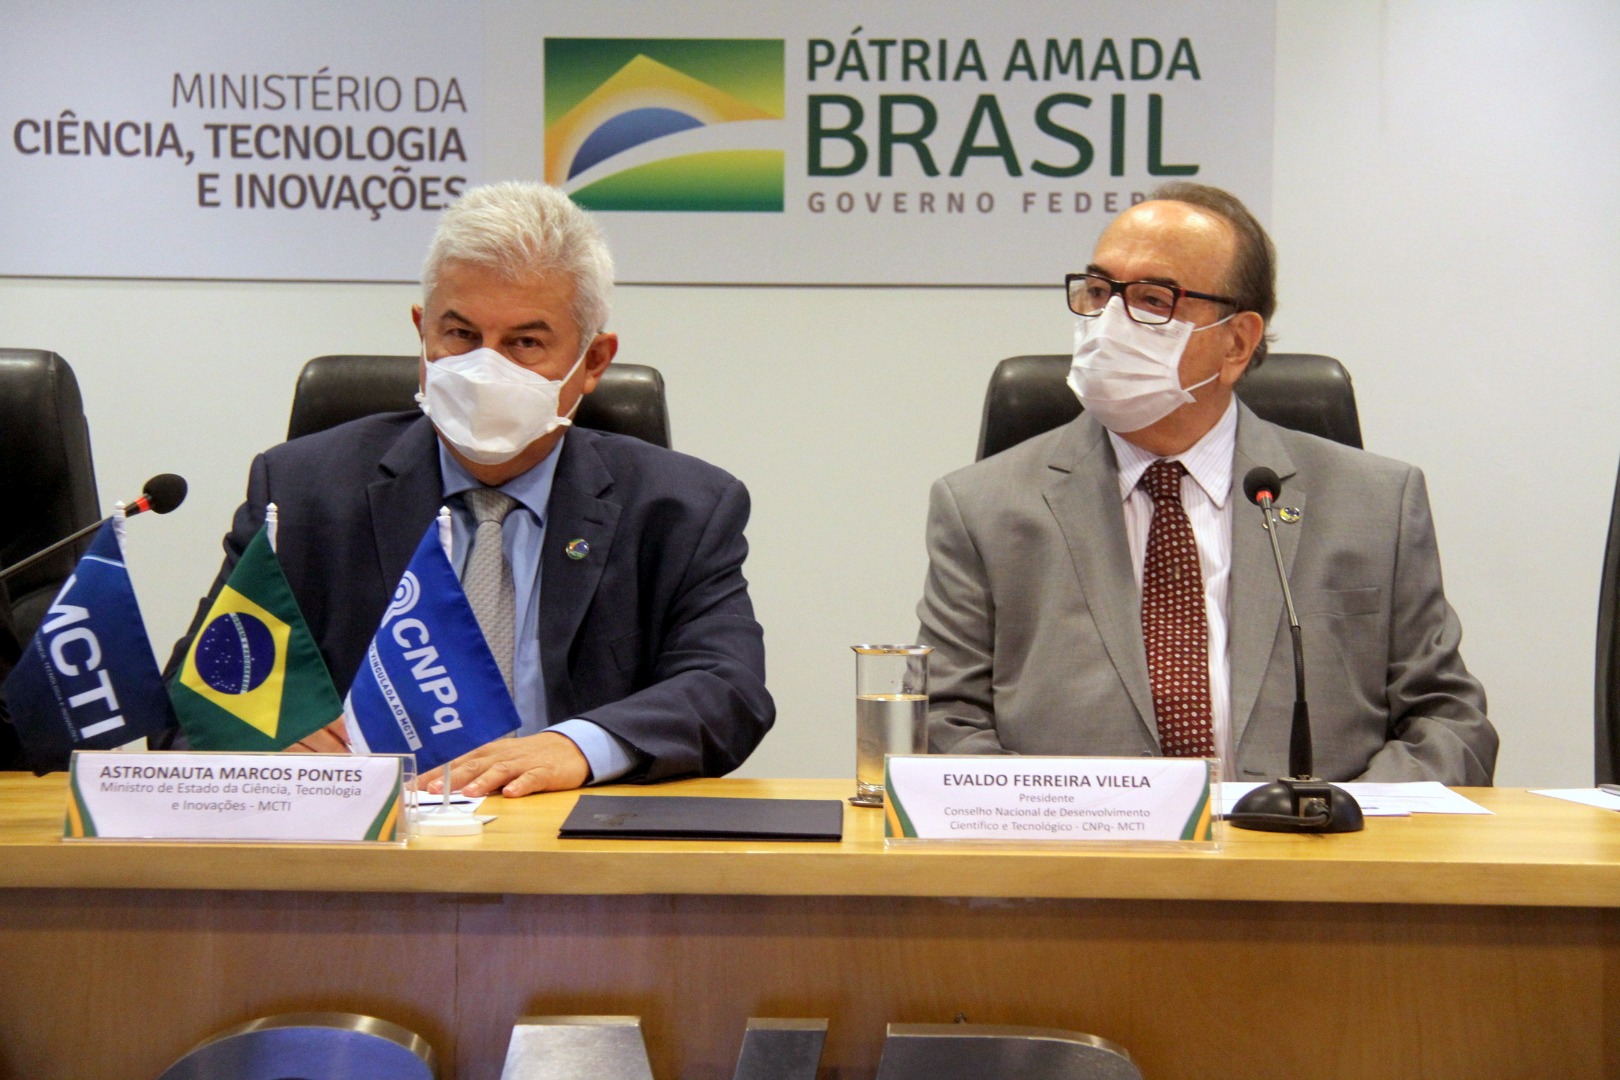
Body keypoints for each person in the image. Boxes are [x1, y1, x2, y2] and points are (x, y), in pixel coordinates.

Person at [171, 181, 774, 796]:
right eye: (460, 335)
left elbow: (728, 689)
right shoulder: (302, 493)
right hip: (366, 835)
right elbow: (191, 702)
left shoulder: (680, 508)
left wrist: (577, 746)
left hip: (566, 833)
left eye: (525, 343)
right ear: (422, 332)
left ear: (593, 361)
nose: (485, 369)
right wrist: (254, 736)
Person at [917, 182, 1496, 785]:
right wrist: (1057, 817)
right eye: (1098, 292)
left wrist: (1345, 822)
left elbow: (1448, 722)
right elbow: (942, 720)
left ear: (1237, 342)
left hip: (1313, 841)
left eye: (1152, 300)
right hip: (1074, 844)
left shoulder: (1376, 504)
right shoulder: (981, 508)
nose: (1108, 323)